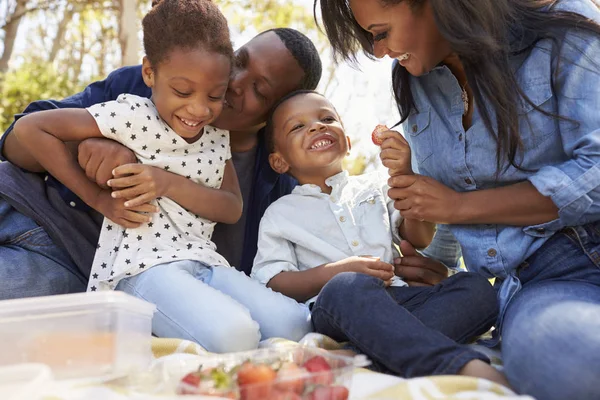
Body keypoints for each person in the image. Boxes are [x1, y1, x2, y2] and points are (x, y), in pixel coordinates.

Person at [316, 0, 600, 398]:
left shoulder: (561, 25)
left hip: (583, 250)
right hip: (542, 284)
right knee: (565, 358)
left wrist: (459, 206)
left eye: (380, 34)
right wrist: (433, 263)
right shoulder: (415, 81)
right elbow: (441, 216)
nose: (378, 52)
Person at [7, 0, 312, 353]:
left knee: (293, 325)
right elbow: (25, 133)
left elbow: (233, 209)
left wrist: (164, 181)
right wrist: (94, 154)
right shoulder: (137, 98)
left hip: (180, 266)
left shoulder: (252, 166)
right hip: (54, 227)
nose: (233, 85)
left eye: (260, 89)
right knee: (235, 334)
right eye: (240, 62)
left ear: (274, 115)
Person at [251, 90, 506, 385]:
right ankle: (458, 364)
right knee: (348, 285)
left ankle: (368, 358)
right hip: (339, 307)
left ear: (347, 143)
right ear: (279, 162)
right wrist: (339, 271)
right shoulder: (280, 213)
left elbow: (419, 237)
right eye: (298, 126)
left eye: (327, 118)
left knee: (477, 288)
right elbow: (273, 281)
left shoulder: (376, 185)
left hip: (402, 298)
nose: (317, 126)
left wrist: (404, 175)